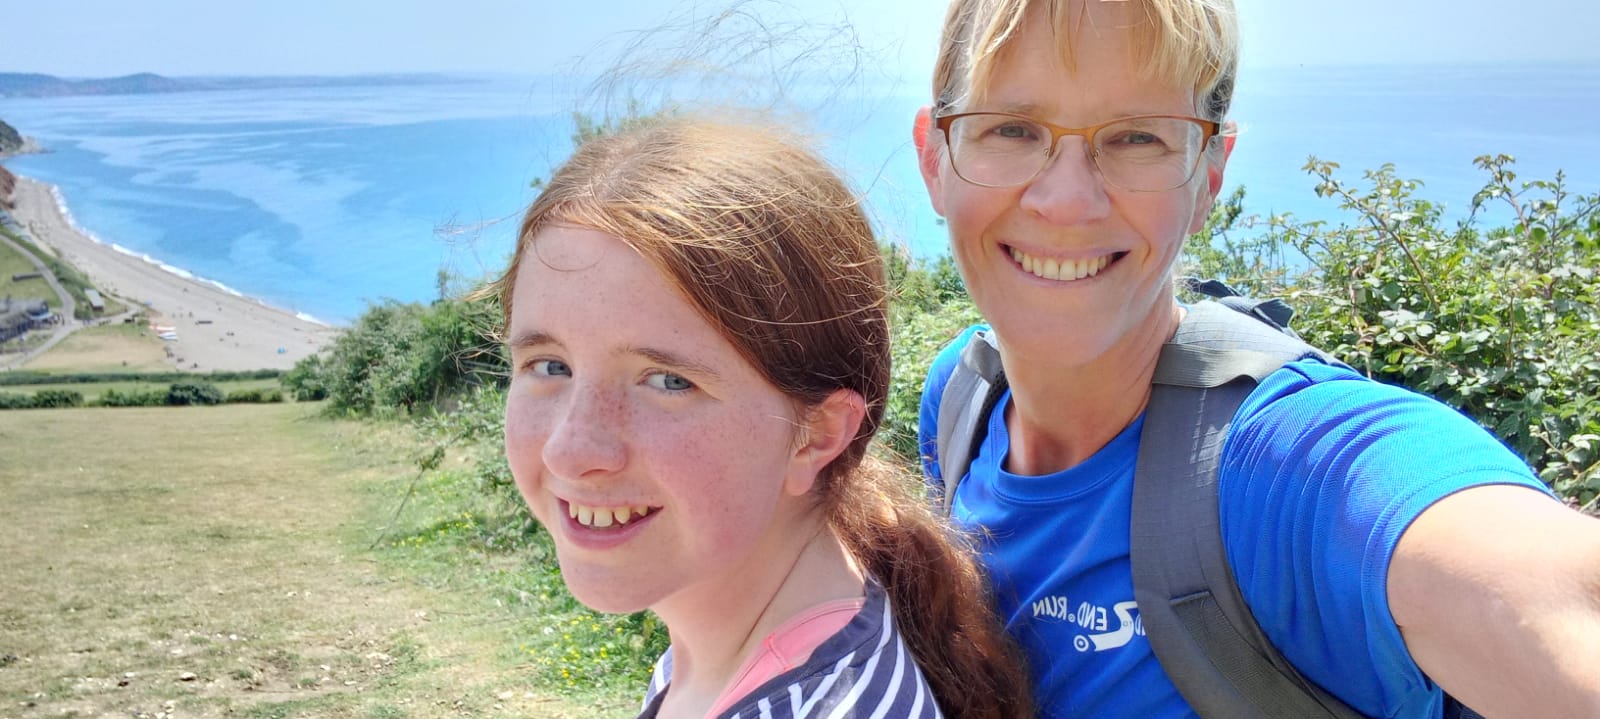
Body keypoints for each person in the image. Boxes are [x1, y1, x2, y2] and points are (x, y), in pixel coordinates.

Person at [909, 0, 1600, 717]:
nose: (1066, 199)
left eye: (1138, 137)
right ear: (934, 157)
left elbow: (1536, 585)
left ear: (1209, 175)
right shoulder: (962, 402)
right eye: (1013, 129)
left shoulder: (1278, 467)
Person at [496, 117, 1030, 718]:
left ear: (818, 433)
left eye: (669, 381)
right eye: (548, 366)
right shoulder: (720, 642)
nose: (570, 450)